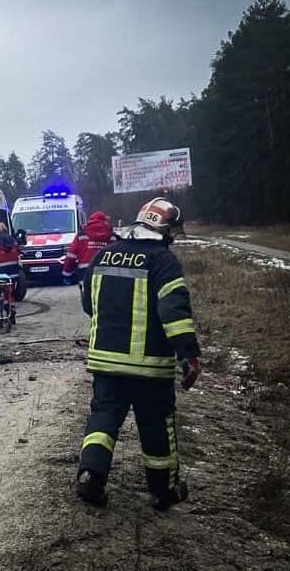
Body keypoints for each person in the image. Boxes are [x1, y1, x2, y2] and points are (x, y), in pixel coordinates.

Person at [76, 197, 201, 511]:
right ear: (166, 229)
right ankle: (164, 491)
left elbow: (88, 304)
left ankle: (91, 475)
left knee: (103, 418)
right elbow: (174, 312)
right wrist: (188, 354)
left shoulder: (104, 255)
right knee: (156, 426)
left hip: (105, 362)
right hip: (149, 367)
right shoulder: (163, 261)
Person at [62, 211, 117, 285]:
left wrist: (67, 273)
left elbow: (71, 256)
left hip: (85, 273)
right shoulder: (111, 236)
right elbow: (117, 255)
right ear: (104, 221)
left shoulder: (81, 235)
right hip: (106, 274)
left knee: (87, 294)